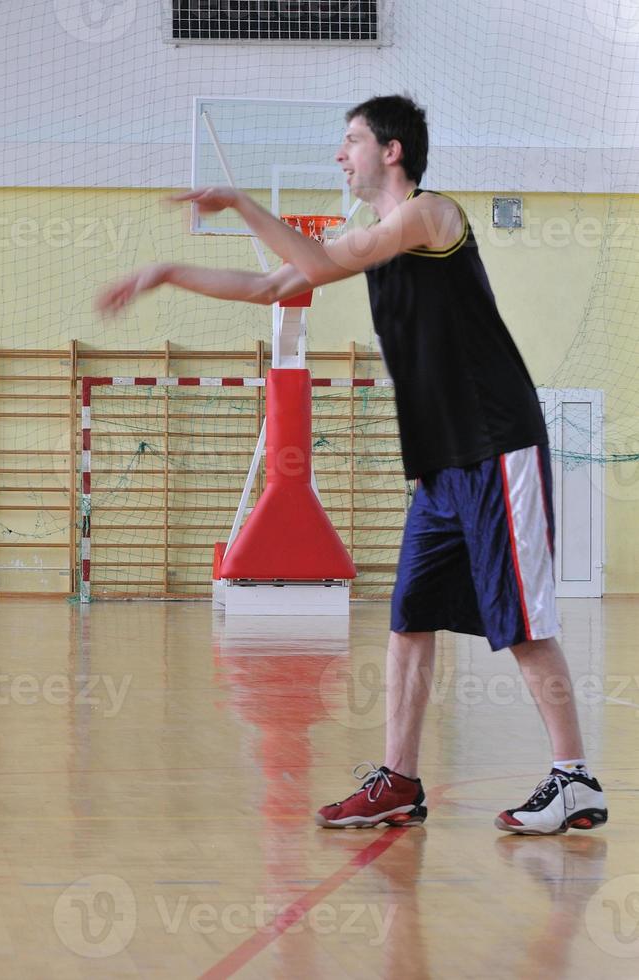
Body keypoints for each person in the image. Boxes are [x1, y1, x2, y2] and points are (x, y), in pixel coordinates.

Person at [99, 96, 606, 836]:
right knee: (410, 620)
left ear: (392, 151)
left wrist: (241, 202)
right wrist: (166, 272)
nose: (341, 156)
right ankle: (398, 779)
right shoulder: (367, 238)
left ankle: (574, 780)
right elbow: (275, 285)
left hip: (495, 442)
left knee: (523, 622)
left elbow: (313, 262)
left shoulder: (432, 217)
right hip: (438, 463)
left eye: (352, 142)